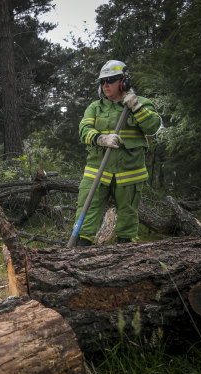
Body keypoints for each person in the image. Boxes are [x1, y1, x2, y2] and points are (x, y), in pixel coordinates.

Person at [73, 60, 161, 246]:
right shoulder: (95, 107)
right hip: (97, 172)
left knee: (127, 221)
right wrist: (100, 139)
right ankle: (78, 255)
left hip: (129, 174)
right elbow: (83, 130)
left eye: (110, 80)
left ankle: (125, 261)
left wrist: (135, 107)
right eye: (102, 82)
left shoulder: (142, 104)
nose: (105, 85)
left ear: (123, 82)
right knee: (86, 217)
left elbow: (153, 127)